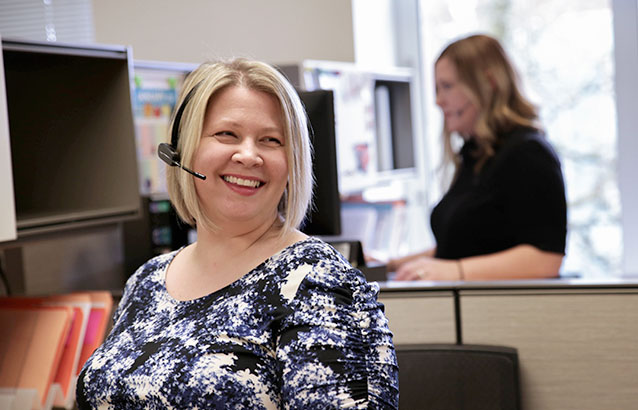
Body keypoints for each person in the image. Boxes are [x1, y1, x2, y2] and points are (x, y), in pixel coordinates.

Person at [76, 58, 399, 409]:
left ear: (292, 163)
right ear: (182, 152)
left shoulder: (316, 283)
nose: (248, 155)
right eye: (226, 134)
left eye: (270, 140)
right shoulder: (147, 280)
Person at [390, 33, 567, 281]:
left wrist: (455, 271)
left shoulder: (529, 154)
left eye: (447, 87)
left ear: (488, 83)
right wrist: (393, 265)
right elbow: (463, 246)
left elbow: (544, 260)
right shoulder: (476, 155)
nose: (439, 101)